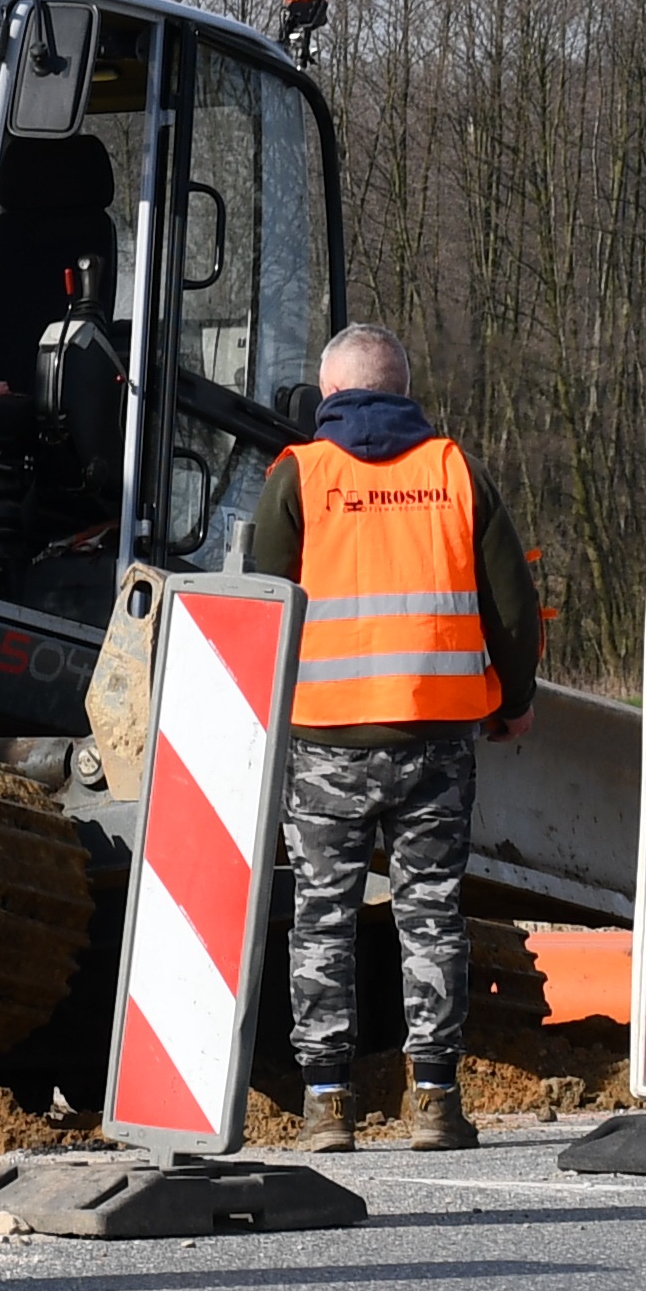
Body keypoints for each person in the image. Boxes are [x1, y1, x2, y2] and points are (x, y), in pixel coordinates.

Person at [245, 324, 540, 1154]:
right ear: (405, 391)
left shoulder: (299, 476)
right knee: (433, 914)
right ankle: (436, 1102)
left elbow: (263, 606)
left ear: (329, 394)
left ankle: (327, 1105)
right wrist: (512, 699)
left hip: (325, 742)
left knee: (322, 918)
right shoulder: (454, 470)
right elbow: (512, 609)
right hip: (435, 740)